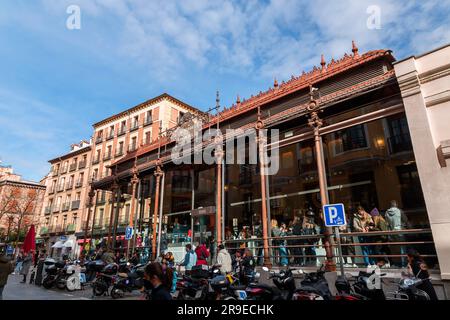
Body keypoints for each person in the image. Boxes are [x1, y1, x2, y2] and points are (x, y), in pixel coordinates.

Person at [385, 200, 407, 267]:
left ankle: (397, 263)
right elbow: (405, 219)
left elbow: (387, 223)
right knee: (402, 248)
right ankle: (403, 264)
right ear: (396, 205)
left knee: (394, 248)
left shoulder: (386, 212)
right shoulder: (399, 211)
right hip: (399, 231)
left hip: (392, 232)